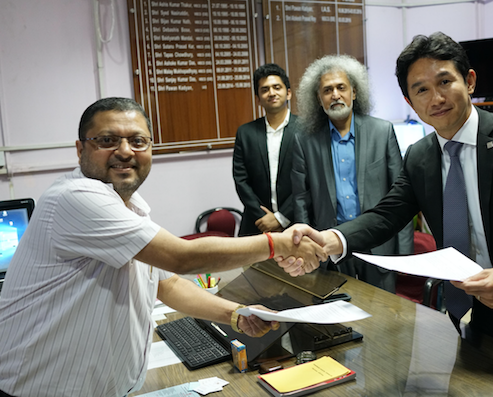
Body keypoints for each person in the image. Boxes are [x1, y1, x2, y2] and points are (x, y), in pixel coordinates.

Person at [284, 33, 493, 364]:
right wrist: (331, 239)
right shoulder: (420, 157)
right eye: (421, 89)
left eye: (445, 81)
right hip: (477, 310)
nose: (436, 97)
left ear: (470, 81)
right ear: (409, 101)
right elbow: (387, 214)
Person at [0, 97, 326, 397]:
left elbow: (166, 284)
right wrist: (279, 243)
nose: (125, 151)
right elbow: (180, 258)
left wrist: (235, 314)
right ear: (80, 149)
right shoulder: (76, 198)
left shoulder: (130, 207)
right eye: (107, 140)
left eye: (138, 141)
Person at [292, 54, 414, 293]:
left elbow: (401, 194)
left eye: (341, 87)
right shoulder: (305, 141)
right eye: (327, 90)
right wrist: (306, 247)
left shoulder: (382, 131)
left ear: (354, 93)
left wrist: (404, 252)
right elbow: (300, 200)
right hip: (330, 246)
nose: (335, 95)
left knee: (383, 318)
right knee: (341, 320)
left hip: (379, 245)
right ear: (318, 99)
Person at [233, 64, 298, 236]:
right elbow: (241, 180)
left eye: (277, 87)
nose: (272, 93)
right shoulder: (246, 133)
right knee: (255, 265)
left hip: (296, 224)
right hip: (256, 225)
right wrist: (264, 218)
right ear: (258, 99)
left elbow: (309, 182)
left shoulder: (306, 130)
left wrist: (281, 218)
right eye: (265, 89)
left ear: (288, 93)